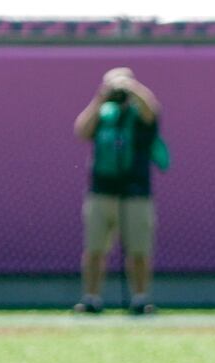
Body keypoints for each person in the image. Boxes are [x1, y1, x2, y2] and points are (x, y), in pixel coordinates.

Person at [73, 67, 163, 314]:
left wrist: (131, 88)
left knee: (139, 250)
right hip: (101, 192)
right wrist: (101, 97)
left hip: (136, 192)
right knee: (95, 249)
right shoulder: (104, 113)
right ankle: (91, 297)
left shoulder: (138, 114)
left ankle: (140, 298)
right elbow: (81, 130)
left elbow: (152, 111)